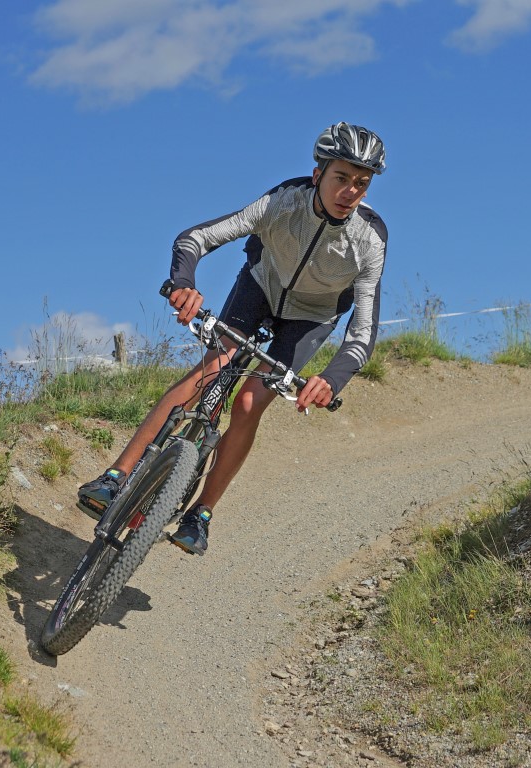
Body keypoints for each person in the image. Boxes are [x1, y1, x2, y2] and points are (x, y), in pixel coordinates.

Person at [76, 121, 388, 556]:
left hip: (311, 319)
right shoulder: (284, 201)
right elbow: (196, 238)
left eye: (361, 183)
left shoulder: (370, 240)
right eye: (341, 178)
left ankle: (200, 514)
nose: (350, 191)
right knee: (213, 368)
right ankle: (116, 476)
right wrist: (184, 283)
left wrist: (331, 379)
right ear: (318, 174)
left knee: (247, 403)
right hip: (260, 288)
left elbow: (362, 332)